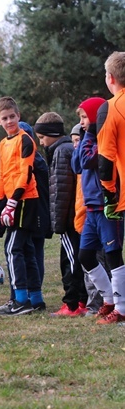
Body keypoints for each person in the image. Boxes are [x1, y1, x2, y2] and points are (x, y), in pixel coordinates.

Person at [0, 97, 43, 316]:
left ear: (19, 116)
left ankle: (20, 300)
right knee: (27, 249)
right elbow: (3, 176)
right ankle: (36, 299)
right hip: (12, 200)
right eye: (5, 118)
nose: (9, 121)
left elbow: (25, 173)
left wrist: (12, 203)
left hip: (25, 200)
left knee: (13, 248)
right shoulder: (3, 144)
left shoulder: (25, 140)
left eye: (12, 116)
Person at [34, 112, 88, 317]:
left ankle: (72, 304)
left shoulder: (60, 152)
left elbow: (60, 191)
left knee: (70, 261)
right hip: (76, 217)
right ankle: (82, 300)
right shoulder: (66, 148)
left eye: (42, 138)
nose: (41, 143)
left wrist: (57, 223)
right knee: (77, 258)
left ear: (52, 133)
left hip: (69, 219)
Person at [72, 98, 122, 323]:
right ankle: (109, 298)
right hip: (91, 208)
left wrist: (90, 134)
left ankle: (121, 307)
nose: (81, 123)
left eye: (84, 118)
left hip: (107, 206)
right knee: (85, 255)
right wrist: (84, 136)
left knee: (113, 255)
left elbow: (88, 159)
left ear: (95, 119)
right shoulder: (87, 138)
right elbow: (76, 164)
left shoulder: (102, 140)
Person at [96, 51, 125, 324]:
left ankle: (123, 308)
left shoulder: (110, 107)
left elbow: (104, 159)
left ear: (111, 78)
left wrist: (108, 192)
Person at [69, 121, 103, 315]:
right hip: (84, 218)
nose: (76, 145)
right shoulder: (81, 157)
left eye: (78, 140)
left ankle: (98, 304)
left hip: (95, 214)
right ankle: (94, 303)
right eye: (74, 141)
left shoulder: (93, 155)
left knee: (99, 262)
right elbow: (76, 165)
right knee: (88, 262)